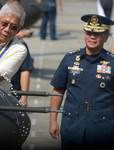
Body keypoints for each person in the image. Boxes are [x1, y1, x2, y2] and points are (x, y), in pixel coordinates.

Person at [49, 14, 114, 149]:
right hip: (72, 128)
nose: (92, 36)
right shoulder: (70, 59)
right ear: (85, 34)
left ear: (106, 37)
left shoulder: (112, 63)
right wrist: (52, 120)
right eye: (89, 32)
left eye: (97, 33)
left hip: (103, 131)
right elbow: (58, 90)